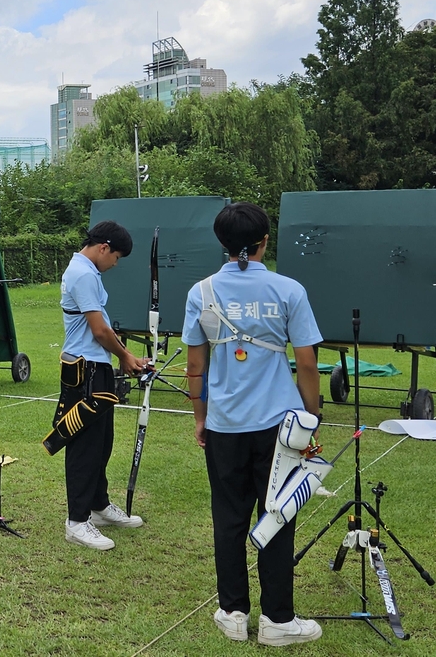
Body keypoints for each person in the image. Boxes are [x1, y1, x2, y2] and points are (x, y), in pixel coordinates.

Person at [183, 202, 324, 646]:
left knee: (228, 517)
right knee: (277, 514)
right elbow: (306, 363)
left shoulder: (201, 292)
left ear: (223, 244)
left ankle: (233, 613)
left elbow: (194, 366)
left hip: (225, 424)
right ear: (265, 241)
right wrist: (312, 416)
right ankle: (278, 621)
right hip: (281, 429)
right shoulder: (288, 290)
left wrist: (200, 416)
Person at [56, 220, 148, 550]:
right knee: (84, 447)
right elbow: (98, 330)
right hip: (86, 372)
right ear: (103, 248)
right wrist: (125, 355)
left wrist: (123, 357)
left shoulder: (86, 271)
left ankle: (98, 506)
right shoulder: (82, 273)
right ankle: (77, 522)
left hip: (96, 368)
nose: (115, 264)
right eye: (117, 257)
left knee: (102, 442)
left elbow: (100, 328)